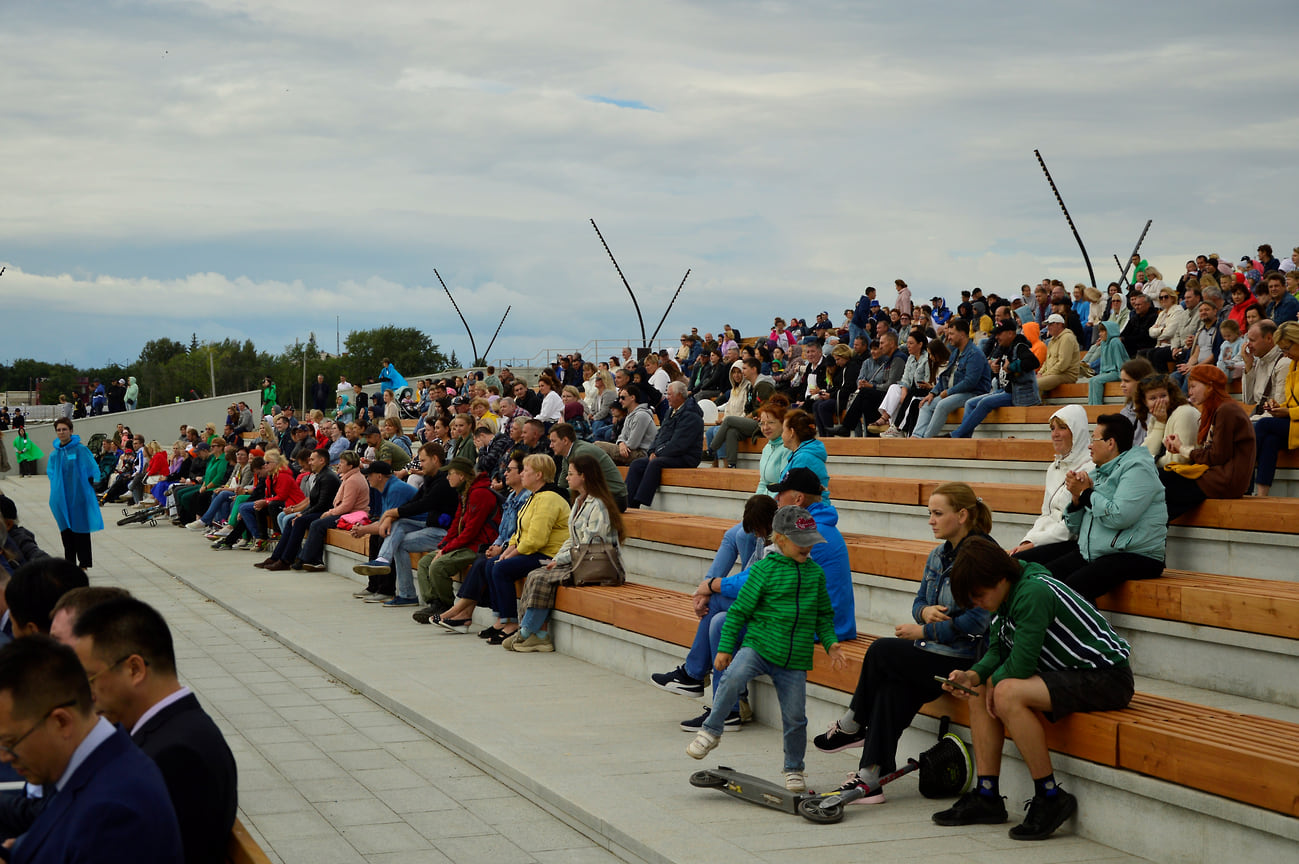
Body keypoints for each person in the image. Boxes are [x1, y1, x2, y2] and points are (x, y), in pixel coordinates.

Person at [934, 537, 1133, 841]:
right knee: (983, 687)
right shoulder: (1006, 591)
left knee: (1005, 691)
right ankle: (987, 794)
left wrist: (995, 685)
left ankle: (1050, 796)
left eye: (979, 595)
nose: (977, 603)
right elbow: (998, 651)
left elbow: (1022, 665)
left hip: (1106, 677)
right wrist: (971, 677)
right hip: (1070, 674)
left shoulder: (1033, 591)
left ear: (999, 578)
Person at [814, 483, 992, 803]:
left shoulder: (981, 555)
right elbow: (918, 603)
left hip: (965, 660)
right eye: (929, 514)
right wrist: (924, 612)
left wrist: (925, 631)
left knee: (882, 650)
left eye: (938, 513)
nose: (931, 521)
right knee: (892, 684)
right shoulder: (938, 554)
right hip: (935, 653)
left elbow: (978, 624)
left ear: (962, 515)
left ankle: (852, 724)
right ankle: (870, 777)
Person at [685, 505, 848, 794]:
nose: (808, 547)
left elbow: (823, 615)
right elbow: (738, 613)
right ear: (781, 540)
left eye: (811, 540)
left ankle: (794, 767)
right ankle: (711, 731)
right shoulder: (763, 569)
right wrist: (724, 649)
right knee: (733, 678)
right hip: (759, 646)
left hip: (794, 658)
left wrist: (830, 642)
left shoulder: (815, 575)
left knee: (796, 717)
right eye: (802, 541)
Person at [71, 598, 236, 864]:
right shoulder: (169, 730)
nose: (86, 696)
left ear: (134, 669)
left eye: (89, 679)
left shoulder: (177, 756)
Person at [0, 636, 183, 864]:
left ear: (61, 722)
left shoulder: (114, 814)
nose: (4, 756)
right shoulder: (98, 766)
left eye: (10, 741)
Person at [1037, 413, 1167, 601]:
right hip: (1101, 551)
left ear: (1110, 443)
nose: (1090, 445)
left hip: (1138, 555)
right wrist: (1076, 499)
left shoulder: (1139, 469)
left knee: (1074, 588)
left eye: (1094, 439)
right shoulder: (1100, 470)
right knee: (1043, 579)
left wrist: (1086, 494)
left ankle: (1095, 631)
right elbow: (1074, 527)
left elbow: (1119, 516)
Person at [506, 454, 625, 653]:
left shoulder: (599, 505)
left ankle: (526, 631)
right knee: (537, 574)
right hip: (580, 560)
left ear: (584, 476)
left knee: (542, 578)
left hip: (598, 565)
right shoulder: (578, 501)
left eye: (570, 474)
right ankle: (539, 634)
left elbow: (589, 542)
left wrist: (561, 559)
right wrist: (556, 559)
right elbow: (571, 538)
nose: (566, 478)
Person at [478, 454, 570, 643]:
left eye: (526, 471)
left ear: (538, 475)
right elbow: (518, 533)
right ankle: (501, 620)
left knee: (501, 568)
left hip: (549, 556)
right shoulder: (534, 497)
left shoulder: (548, 499)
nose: (522, 475)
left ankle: (511, 623)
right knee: (491, 564)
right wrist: (506, 551)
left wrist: (510, 556)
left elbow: (536, 540)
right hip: (534, 551)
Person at [1159, 364, 1256, 520]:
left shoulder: (1227, 411)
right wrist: (1179, 449)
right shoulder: (1218, 409)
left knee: (1160, 484)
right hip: (1218, 477)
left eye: (1193, 386)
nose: (1189, 392)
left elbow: (1217, 456)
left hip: (1225, 481)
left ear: (1210, 386)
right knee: (1159, 483)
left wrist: (1183, 449)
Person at [1006, 406, 1095, 567]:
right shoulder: (1053, 468)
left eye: (1062, 428)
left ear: (1077, 431)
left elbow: (1073, 526)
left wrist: (1034, 543)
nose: (1055, 434)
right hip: (1048, 539)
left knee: (1016, 566)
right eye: (1053, 428)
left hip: (1072, 541)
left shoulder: (1090, 469)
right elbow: (1045, 514)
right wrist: (1029, 539)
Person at [951, 321, 1040, 438]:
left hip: (1017, 394)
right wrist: (995, 368)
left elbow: (1033, 362)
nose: (996, 337)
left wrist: (1011, 366)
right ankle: (964, 437)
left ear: (1010, 333)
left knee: (984, 403)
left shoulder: (1020, 346)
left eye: (999, 334)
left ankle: (956, 435)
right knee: (969, 403)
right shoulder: (1005, 347)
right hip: (1004, 390)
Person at [625, 382, 704, 509]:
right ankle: (629, 503)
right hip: (668, 453)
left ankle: (642, 500)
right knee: (637, 464)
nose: (667, 397)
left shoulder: (691, 416)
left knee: (656, 463)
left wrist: (658, 453)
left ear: (679, 395)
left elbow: (679, 444)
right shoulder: (670, 411)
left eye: (670, 394)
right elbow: (660, 434)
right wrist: (652, 451)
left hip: (686, 457)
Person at [913, 319, 991, 438]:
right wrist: (933, 393)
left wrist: (948, 392)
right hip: (955, 393)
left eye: (951, 334)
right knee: (925, 404)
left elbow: (970, 382)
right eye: (948, 334)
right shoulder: (955, 353)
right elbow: (945, 377)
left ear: (962, 334)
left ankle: (926, 440)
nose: (948, 337)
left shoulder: (975, 354)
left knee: (942, 405)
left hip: (973, 393)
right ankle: (917, 436)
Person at [45, 419, 102, 569]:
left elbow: (92, 468)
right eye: (58, 430)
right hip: (62, 498)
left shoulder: (80, 450)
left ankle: (84, 563)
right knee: (66, 531)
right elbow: (51, 472)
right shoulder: (55, 454)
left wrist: (90, 485)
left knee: (81, 529)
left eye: (64, 429)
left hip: (78, 496)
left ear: (71, 431)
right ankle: (69, 563)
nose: (61, 432)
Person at [1251, 322, 1299, 497]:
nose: (1285, 354)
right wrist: (1280, 407)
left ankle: (1243, 479)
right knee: (1270, 439)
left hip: (1295, 420)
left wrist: (1288, 412)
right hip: (1294, 421)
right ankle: (1262, 494)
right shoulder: (1293, 365)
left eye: (1287, 349)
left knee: (1263, 425)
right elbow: (1292, 400)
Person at [549, 423, 627, 511]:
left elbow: (583, 485)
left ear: (565, 440)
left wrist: (555, 496)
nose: (550, 445)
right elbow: (563, 485)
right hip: (595, 496)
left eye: (553, 441)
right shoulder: (567, 454)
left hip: (613, 498)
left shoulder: (582, 453)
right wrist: (555, 495)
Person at [1135, 375, 1200, 470]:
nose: (1160, 402)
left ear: (1171, 395)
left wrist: (1153, 461)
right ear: (1145, 402)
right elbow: (1146, 453)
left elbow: (1181, 460)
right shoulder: (1156, 418)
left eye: (1163, 396)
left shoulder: (1185, 413)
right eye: (1153, 398)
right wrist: (1160, 423)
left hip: (1184, 475)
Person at [1034, 314, 1079, 395]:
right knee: (1029, 384)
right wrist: (1040, 373)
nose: (1048, 327)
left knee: (1035, 384)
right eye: (1048, 325)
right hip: (1055, 373)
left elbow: (1063, 364)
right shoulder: (1052, 340)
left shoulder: (1067, 338)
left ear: (1060, 325)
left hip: (1066, 375)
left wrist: (1045, 375)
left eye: (1051, 324)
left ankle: (1038, 406)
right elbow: (1047, 361)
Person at [1086, 320, 1130, 405]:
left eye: (1103, 331)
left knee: (1096, 381)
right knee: (1092, 380)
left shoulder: (1115, 342)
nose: (1100, 334)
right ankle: (1090, 407)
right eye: (1100, 331)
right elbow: (1103, 363)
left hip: (1116, 372)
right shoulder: (1103, 343)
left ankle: (1097, 407)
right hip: (1107, 372)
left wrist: (1123, 377)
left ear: (1110, 331)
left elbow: (1120, 363)